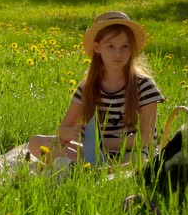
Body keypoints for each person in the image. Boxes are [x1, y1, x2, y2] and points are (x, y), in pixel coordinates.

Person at [28, 11, 164, 166]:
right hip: (91, 152)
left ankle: (96, 168)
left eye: (125, 46)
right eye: (111, 46)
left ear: (131, 49)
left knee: (136, 161)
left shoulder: (144, 85)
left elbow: (146, 138)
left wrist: (102, 143)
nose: (118, 53)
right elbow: (64, 128)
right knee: (36, 142)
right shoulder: (88, 87)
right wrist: (70, 133)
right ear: (97, 47)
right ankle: (93, 166)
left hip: (130, 151)